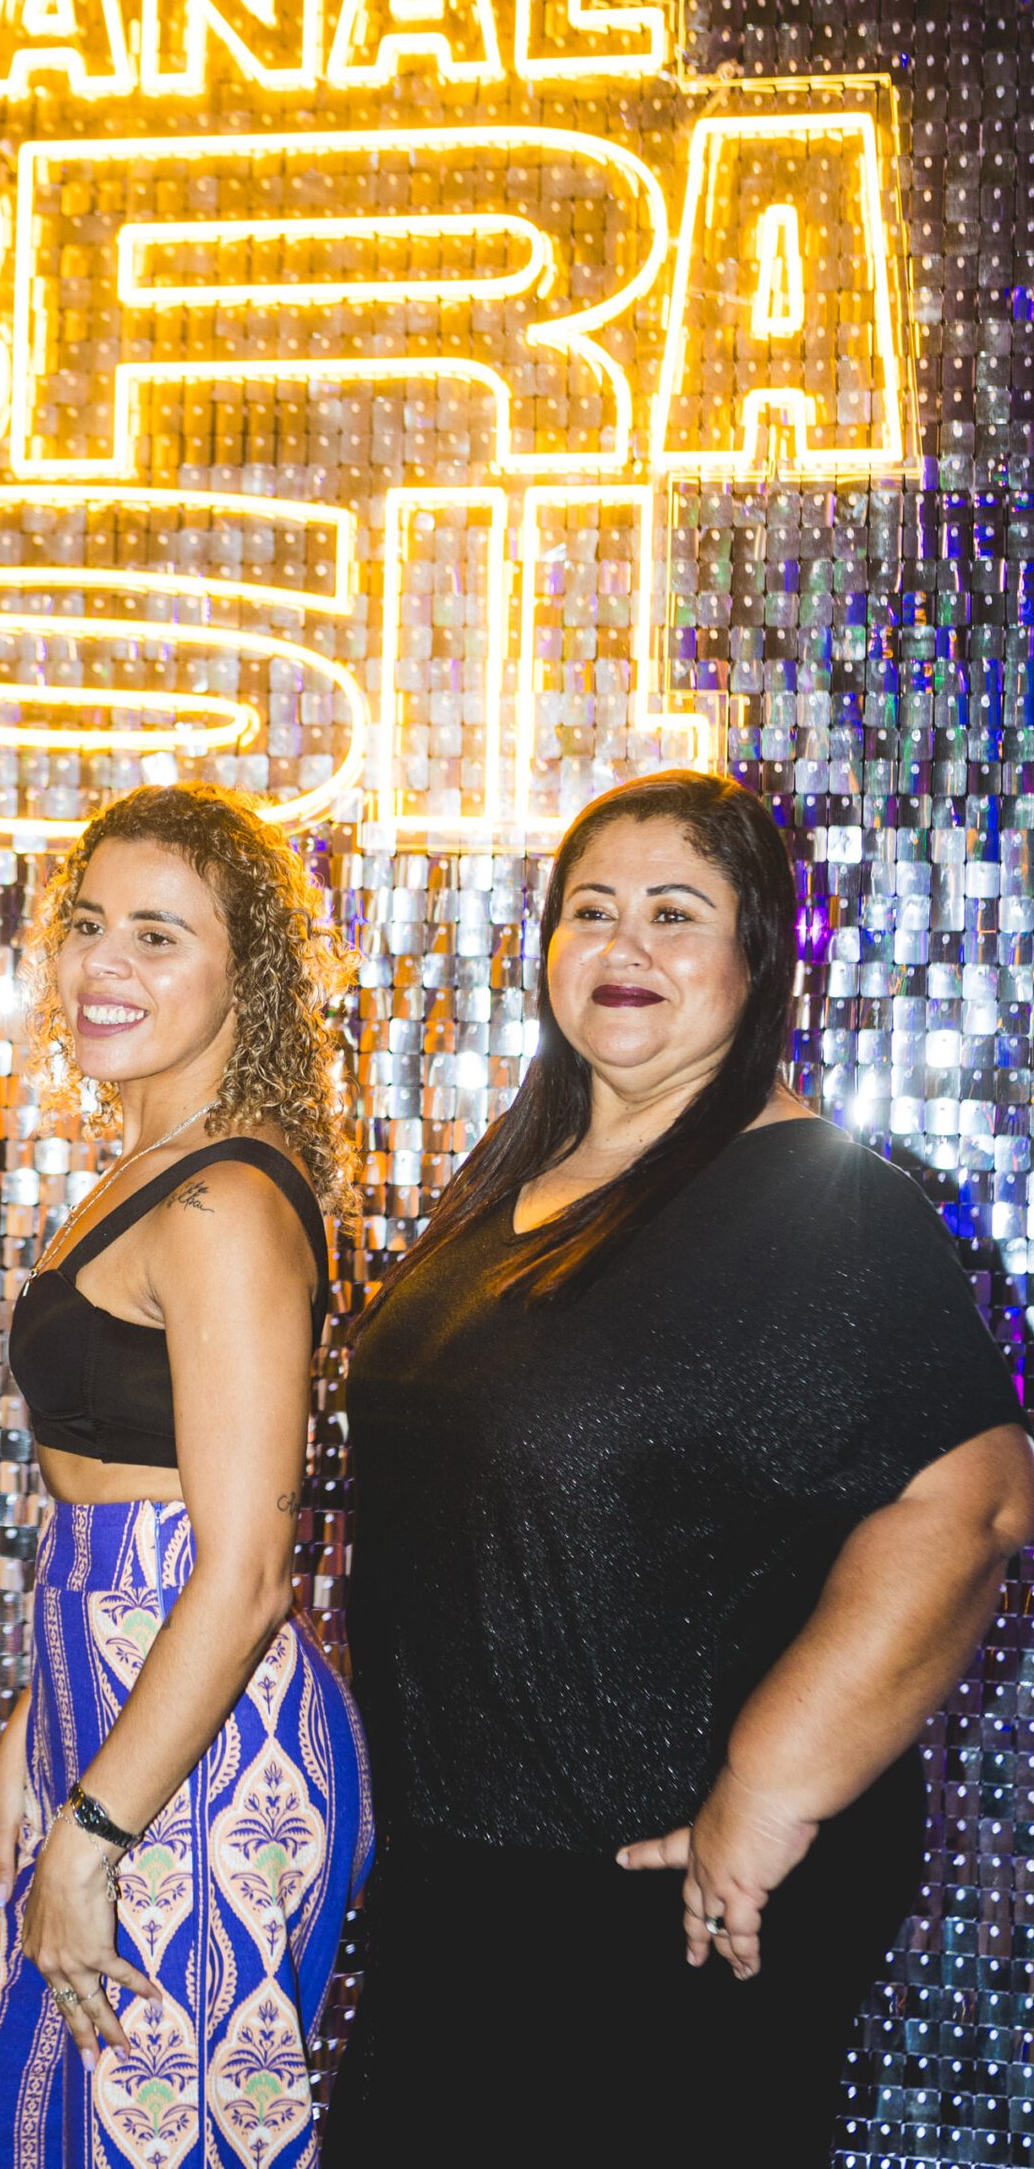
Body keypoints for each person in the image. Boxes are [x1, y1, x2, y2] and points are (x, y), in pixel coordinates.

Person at [326, 768, 1034, 2169]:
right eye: (590, 909)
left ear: (757, 955)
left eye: (674, 912)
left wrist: (769, 1790)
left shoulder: (824, 1203)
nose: (624, 945)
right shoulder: (517, 1181)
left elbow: (975, 1498)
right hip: (463, 1879)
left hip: (660, 1898)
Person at [0, 782, 373, 2169]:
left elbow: (239, 1576)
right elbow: (107, 1528)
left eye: (158, 936)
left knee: (154, 2139)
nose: (103, 964)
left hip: (210, 1750)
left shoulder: (222, 1202)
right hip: (109, 1708)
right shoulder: (147, 1172)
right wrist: (28, 1746)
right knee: (20, 2121)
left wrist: (90, 1836)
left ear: (248, 978)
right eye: (87, 924)